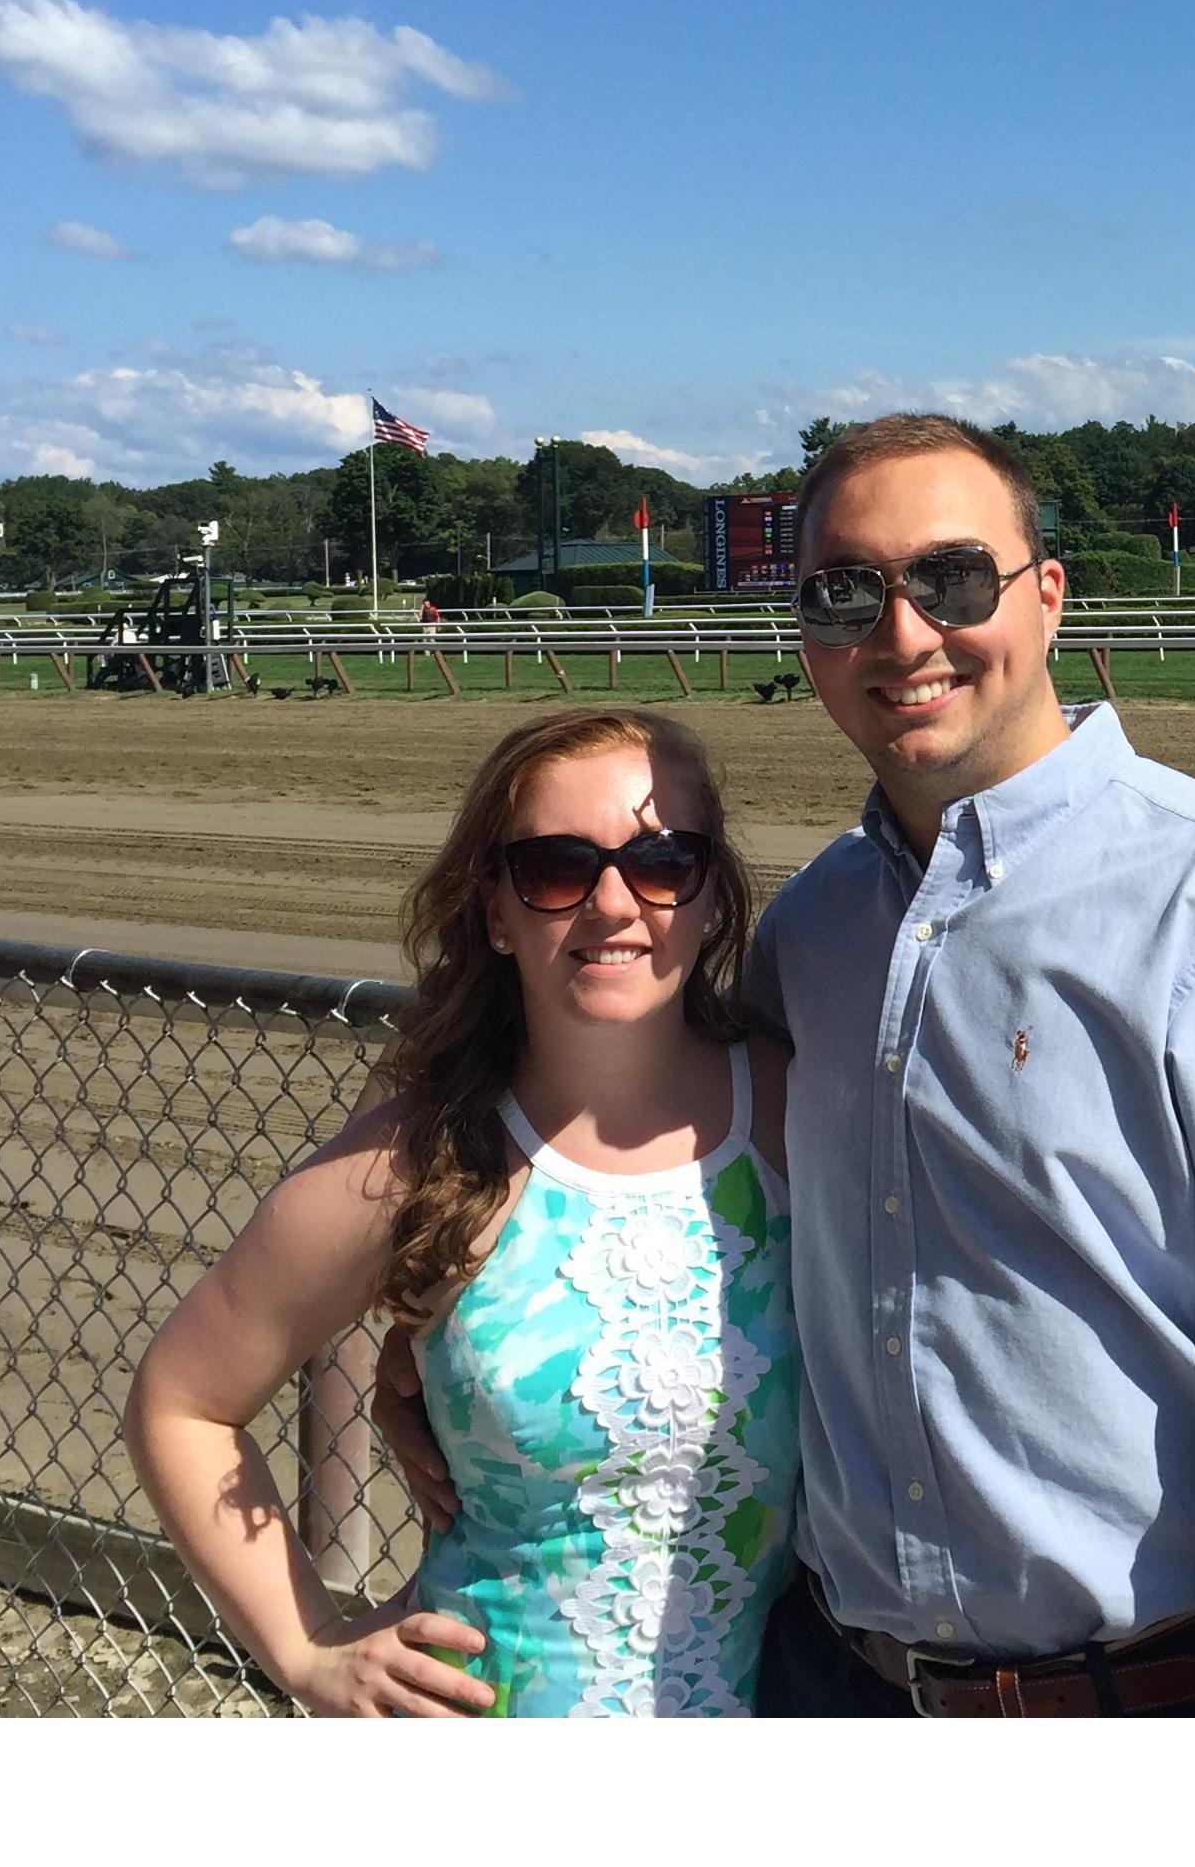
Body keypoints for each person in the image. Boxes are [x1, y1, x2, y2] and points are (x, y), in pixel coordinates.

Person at [744, 410, 1195, 1714]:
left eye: (952, 580)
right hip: (837, 1679)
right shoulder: (808, 931)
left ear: (1049, 597)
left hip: (1165, 1693)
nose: (903, 634)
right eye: (846, 592)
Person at [127, 706, 795, 1715]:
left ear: (711, 897)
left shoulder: (800, 1112)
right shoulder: (419, 1159)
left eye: (663, 861)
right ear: (495, 910)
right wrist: (311, 1650)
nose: (615, 904)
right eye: (558, 869)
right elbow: (179, 1403)